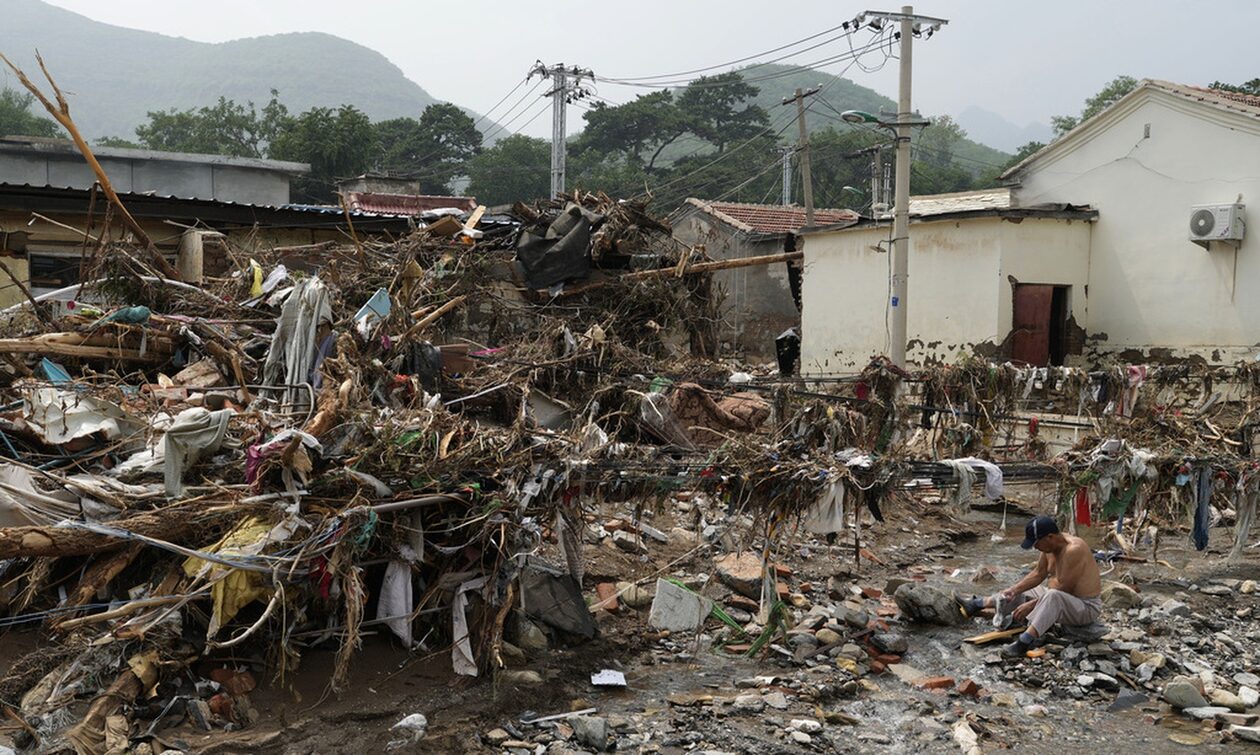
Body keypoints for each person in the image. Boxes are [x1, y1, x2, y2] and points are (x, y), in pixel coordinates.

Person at [957, 515, 1102, 657]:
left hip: (1085, 607)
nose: (1035, 548)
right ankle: (977, 604)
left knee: (1052, 596)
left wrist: (1031, 605)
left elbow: (1064, 589)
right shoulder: (1049, 547)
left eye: (1036, 544)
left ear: (1050, 537)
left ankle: (1024, 641)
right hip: (1062, 597)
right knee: (1021, 590)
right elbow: (1038, 574)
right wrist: (1014, 590)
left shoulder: (1073, 550)